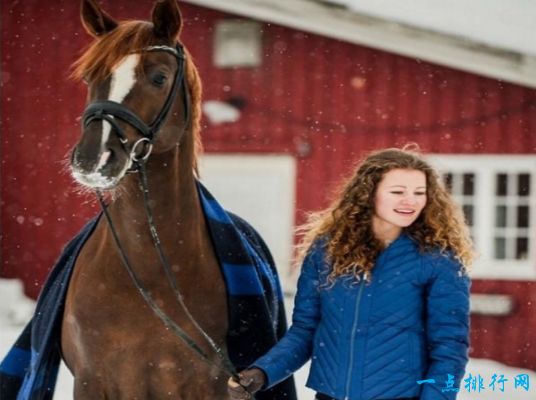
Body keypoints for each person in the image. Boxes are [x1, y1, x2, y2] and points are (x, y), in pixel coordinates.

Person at [227, 145, 473, 400]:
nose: (410, 201)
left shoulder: (439, 260)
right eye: (398, 191)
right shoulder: (328, 250)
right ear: (369, 194)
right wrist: (262, 373)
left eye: (420, 192)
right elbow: (305, 331)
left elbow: (449, 349)